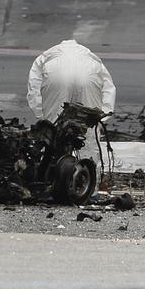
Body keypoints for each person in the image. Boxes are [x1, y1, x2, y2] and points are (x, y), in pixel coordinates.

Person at [27, 39, 116, 198]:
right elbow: (108, 87)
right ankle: (89, 189)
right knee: (88, 135)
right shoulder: (91, 57)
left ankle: (51, 184)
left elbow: (34, 88)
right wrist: (100, 119)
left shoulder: (45, 57)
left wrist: (44, 119)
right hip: (88, 74)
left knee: (54, 134)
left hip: (56, 74)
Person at [27, 39, 116, 122]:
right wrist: (103, 116)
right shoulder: (90, 55)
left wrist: (42, 117)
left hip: (56, 72)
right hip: (88, 71)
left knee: (55, 124)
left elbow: (34, 86)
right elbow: (108, 88)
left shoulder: (46, 55)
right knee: (90, 124)